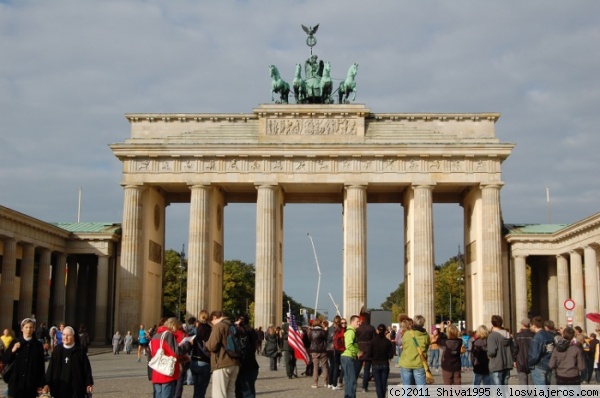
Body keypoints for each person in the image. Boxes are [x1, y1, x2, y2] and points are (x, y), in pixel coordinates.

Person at [2, 318, 48, 397]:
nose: (28, 330)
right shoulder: (15, 341)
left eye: (31, 327)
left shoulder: (38, 345)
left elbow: (40, 365)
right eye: (26, 327)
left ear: (33, 329)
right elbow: (5, 359)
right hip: (16, 383)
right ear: (22, 328)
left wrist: (41, 383)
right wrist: (13, 350)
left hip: (31, 384)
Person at [46, 325, 94, 397]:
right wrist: (47, 383)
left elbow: (86, 368)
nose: (65, 337)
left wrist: (88, 383)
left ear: (74, 336)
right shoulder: (57, 350)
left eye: (68, 335)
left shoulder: (79, 351)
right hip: (59, 387)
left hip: (76, 387)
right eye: (64, 335)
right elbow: (51, 368)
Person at [205, 310, 240, 398]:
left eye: (211, 322)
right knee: (231, 393)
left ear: (214, 317)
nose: (211, 324)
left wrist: (206, 344)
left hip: (222, 362)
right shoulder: (233, 326)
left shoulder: (219, 326)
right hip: (235, 362)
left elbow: (212, 346)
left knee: (219, 393)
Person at [149, 317, 184, 398]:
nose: (177, 330)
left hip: (157, 370)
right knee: (167, 395)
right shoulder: (168, 335)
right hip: (166, 371)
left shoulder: (156, 335)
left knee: (158, 395)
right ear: (173, 325)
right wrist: (187, 345)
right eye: (177, 328)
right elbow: (175, 353)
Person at [399, 315, 430, 386]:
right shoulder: (426, 335)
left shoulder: (407, 333)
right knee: (421, 389)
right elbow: (427, 347)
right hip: (419, 363)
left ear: (414, 322)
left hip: (406, 362)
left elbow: (404, 346)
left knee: (407, 389)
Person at [234, 314, 260, 398]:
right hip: (252, 365)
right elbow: (255, 346)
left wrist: (235, 325)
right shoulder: (252, 331)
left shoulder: (237, 331)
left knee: (240, 391)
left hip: (242, 365)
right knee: (249, 392)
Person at [190, 310, 212, 398]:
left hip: (194, 360)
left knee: (196, 388)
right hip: (205, 360)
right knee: (202, 389)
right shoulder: (209, 330)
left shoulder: (195, 329)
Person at [368, 324, 394, 398]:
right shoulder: (387, 342)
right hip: (385, 364)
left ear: (377, 330)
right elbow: (391, 355)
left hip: (375, 364)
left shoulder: (373, 341)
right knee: (384, 383)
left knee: (378, 384)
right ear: (385, 331)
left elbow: (369, 354)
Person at [487, 315, 513, 385]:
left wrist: (488, 354)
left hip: (496, 365)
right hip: (507, 364)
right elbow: (512, 349)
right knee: (505, 389)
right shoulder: (508, 335)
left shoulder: (492, 336)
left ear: (492, 323)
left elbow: (492, 351)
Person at [528, 315, 555, 386]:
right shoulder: (549, 335)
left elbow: (534, 355)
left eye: (530, 325)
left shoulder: (537, 338)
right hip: (548, 364)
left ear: (534, 325)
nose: (530, 327)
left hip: (539, 366)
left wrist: (529, 363)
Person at [355, 312, 375, 393]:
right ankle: (364, 387)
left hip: (360, 349)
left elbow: (355, 340)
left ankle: (354, 384)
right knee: (367, 370)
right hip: (369, 350)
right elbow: (374, 340)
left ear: (362, 319)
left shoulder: (358, 329)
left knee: (357, 369)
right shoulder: (371, 328)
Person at [341, 315, 360, 398]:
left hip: (348, 356)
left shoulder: (351, 331)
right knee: (351, 380)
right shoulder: (351, 332)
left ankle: (349, 396)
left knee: (349, 380)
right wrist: (357, 351)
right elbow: (348, 344)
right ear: (352, 322)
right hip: (348, 356)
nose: (359, 323)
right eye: (357, 321)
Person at [513, 318, 534, 384]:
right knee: (531, 382)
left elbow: (515, 349)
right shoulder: (533, 335)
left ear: (522, 325)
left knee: (522, 381)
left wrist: (514, 360)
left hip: (520, 361)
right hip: (531, 360)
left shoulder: (517, 335)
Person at [309, 318, 329, 388]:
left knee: (315, 367)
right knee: (324, 366)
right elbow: (326, 338)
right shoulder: (323, 331)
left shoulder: (311, 331)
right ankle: (326, 382)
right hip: (323, 350)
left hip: (314, 350)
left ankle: (315, 383)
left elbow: (310, 339)